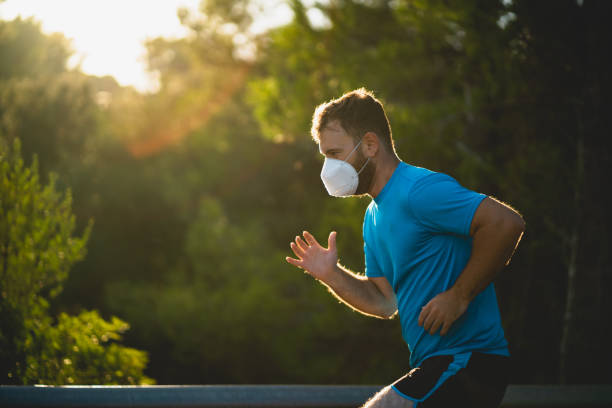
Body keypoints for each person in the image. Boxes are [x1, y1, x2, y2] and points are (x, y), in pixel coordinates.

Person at [285, 88, 525, 408]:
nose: (327, 168)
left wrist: (459, 295)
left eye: (334, 153)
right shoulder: (373, 216)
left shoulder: (419, 189)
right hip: (436, 366)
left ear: (370, 144)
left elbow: (506, 223)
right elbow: (384, 302)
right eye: (324, 156)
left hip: (468, 360)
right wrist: (331, 275)